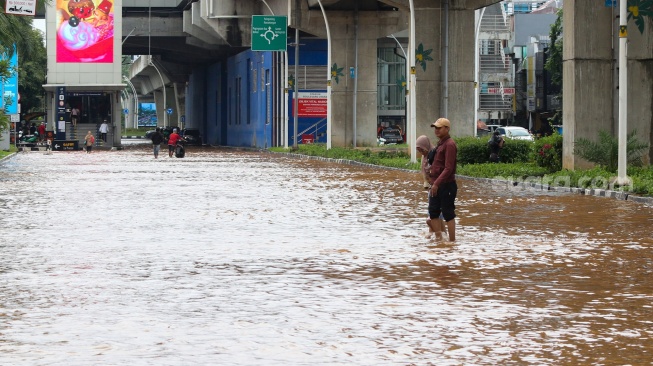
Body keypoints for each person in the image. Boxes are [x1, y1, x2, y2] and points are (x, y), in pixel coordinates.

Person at [427, 118, 458, 242]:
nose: (436, 130)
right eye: (435, 128)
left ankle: (452, 242)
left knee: (448, 214)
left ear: (447, 128)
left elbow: (448, 168)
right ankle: (439, 240)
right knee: (433, 212)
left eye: (439, 128)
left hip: (446, 185)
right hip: (436, 184)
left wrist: (437, 184)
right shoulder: (440, 144)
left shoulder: (450, 144)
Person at [417, 135, 447, 239]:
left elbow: (440, 169)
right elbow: (424, 170)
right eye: (419, 150)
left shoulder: (434, 154)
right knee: (435, 212)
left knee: (435, 212)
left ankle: (438, 234)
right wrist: (426, 181)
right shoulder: (424, 157)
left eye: (422, 150)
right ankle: (440, 234)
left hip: (439, 185)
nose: (421, 152)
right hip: (432, 186)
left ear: (426, 146)